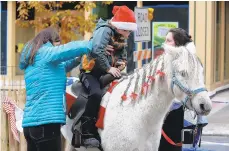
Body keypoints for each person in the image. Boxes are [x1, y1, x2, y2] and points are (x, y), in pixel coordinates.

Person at [19, 27, 92, 151]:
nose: (59, 45)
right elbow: (67, 50)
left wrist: (79, 59)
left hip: (30, 126)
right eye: (58, 42)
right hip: (46, 124)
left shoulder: (34, 60)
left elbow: (61, 67)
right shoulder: (45, 52)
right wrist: (91, 44)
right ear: (49, 41)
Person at [79, 5, 137, 147]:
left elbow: (123, 57)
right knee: (96, 94)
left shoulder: (121, 35)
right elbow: (96, 50)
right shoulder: (104, 30)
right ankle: (86, 131)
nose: (128, 35)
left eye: (129, 31)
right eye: (126, 31)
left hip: (107, 72)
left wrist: (119, 66)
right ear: (118, 26)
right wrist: (108, 68)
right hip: (90, 72)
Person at [158, 28, 206, 151]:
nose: (165, 43)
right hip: (170, 109)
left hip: (177, 109)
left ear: (177, 44)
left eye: (168, 40)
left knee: (171, 144)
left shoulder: (184, 63)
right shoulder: (172, 59)